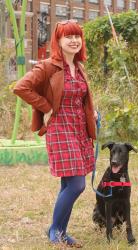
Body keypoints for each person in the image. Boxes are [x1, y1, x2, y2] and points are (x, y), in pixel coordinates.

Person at [13, 19, 97, 247]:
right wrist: (47, 108)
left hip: (79, 129)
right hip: (60, 128)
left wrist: (93, 114)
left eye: (77, 36)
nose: (74, 40)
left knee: (68, 183)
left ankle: (60, 231)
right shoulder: (48, 66)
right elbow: (20, 87)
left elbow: (82, 98)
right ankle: (55, 231)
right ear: (58, 40)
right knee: (77, 184)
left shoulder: (78, 67)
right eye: (68, 36)